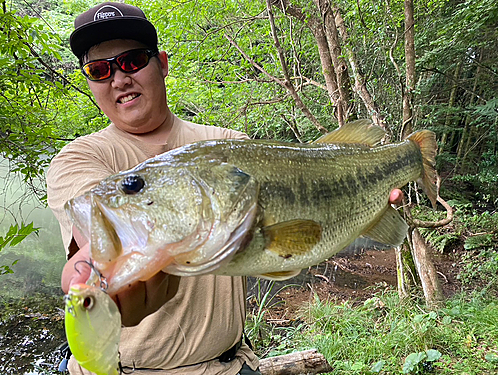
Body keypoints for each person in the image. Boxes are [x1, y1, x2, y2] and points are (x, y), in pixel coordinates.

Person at [47, 2, 403, 374]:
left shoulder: (230, 143)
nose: (119, 78)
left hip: (231, 366)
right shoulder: (78, 159)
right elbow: (90, 249)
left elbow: (299, 232)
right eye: (99, 70)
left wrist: (364, 211)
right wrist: (92, 278)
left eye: (133, 60)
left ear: (162, 64)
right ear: (89, 83)